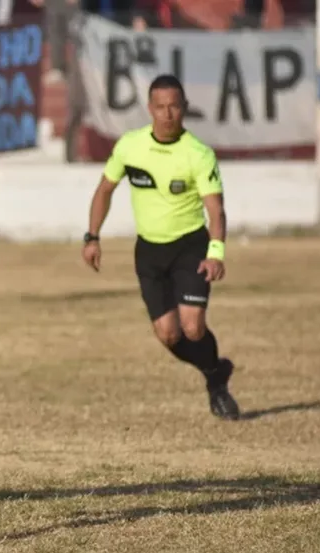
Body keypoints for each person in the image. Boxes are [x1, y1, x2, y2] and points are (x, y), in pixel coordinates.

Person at [84, 74, 240, 420]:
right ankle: (216, 370)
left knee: (193, 328)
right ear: (150, 109)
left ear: (184, 108)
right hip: (150, 252)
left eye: (174, 106)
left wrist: (216, 252)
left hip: (190, 247)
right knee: (169, 335)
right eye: (160, 107)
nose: (168, 114)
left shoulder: (198, 154)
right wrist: (92, 236)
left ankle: (215, 380)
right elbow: (104, 190)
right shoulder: (130, 146)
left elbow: (216, 209)